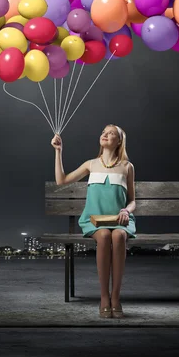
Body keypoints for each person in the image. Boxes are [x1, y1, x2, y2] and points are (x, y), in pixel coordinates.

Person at [51, 124, 136, 319]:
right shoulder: (91, 164)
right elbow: (61, 180)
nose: (105, 134)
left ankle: (116, 297)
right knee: (105, 235)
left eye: (111, 133)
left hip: (120, 220)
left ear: (119, 141)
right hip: (94, 220)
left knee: (118, 236)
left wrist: (125, 210)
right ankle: (104, 297)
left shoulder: (127, 167)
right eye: (104, 132)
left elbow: (132, 201)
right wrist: (58, 152)